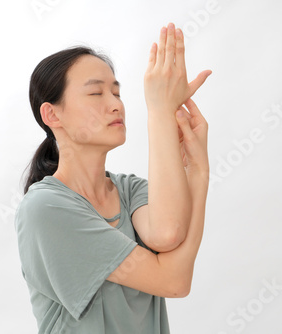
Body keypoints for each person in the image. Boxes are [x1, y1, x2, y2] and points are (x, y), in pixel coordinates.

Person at [15, 22, 212, 334]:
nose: (115, 104)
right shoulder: (47, 208)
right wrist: (160, 111)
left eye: (116, 92)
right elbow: (172, 281)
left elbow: (166, 234)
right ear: (53, 115)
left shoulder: (130, 190)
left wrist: (197, 174)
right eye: (96, 92)